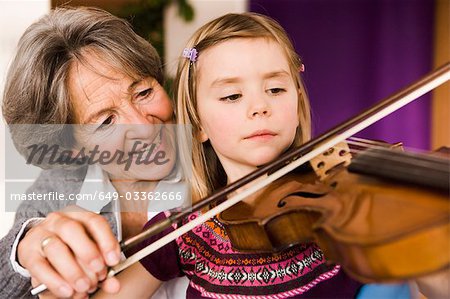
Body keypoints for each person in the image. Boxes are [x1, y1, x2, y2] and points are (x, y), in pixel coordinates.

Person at [94, 12, 449, 299]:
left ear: (297, 100)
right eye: (232, 96)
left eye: (276, 89)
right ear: (198, 123)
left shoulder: (344, 211)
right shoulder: (183, 231)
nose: (260, 107)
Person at [0, 6, 189, 298]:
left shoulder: (221, 157)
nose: (142, 127)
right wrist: (25, 246)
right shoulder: (61, 185)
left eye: (143, 93)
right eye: (105, 122)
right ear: (73, 148)